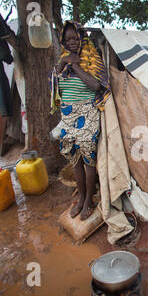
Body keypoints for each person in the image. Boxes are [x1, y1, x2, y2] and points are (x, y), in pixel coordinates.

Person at [49, 21, 111, 220]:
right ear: (63, 41)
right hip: (68, 114)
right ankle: (82, 196)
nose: (72, 42)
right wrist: (64, 63)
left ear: (81, 37)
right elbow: (54, 87)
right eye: (67, 39)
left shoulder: (91, 58)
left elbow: (96, 85)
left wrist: (75, 65)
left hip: (88, 112)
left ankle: (89, 200)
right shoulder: (62, 61)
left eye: (75, 38)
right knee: (73, 156)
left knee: (87, 157)